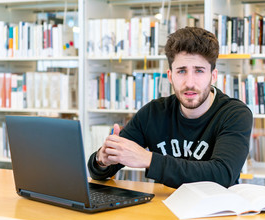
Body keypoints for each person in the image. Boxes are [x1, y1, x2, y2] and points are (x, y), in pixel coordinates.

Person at [88, 26, 253, 189]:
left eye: (199, 71)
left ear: (213, 76)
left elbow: (222, 175)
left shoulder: (234, 114)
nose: (189, 83)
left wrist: (149, 160)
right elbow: (100, 172)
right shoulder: (153, 113)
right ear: (170, 76)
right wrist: (102, 160)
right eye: (181, 71)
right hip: (164, 208)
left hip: (217, 211)